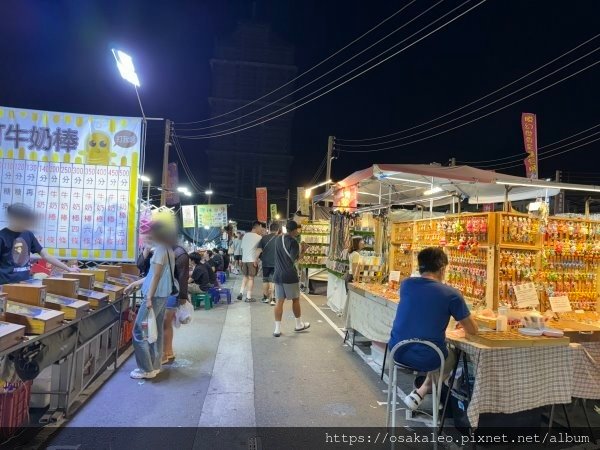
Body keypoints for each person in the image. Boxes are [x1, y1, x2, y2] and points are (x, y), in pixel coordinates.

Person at [389, 247, 478, 411]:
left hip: (397, 351)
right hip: (430, 357)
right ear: (443, 269)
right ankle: (423, 390)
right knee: (450, 354)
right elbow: (472, 330)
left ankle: (420, 392)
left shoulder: (406, 285)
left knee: (436, 350)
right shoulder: (452, 294)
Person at [126, 222, 177, 380]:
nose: (146, 237)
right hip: (161, 294)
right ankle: (155, 366)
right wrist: (135, 283)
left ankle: (146, 369)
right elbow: (155, 275)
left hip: (154, 296)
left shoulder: (160, 251)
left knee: (139, 331)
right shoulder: (167, 249)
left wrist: (148, 298)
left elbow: (155, 276)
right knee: (156, 331)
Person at [0, 203, 79, 284]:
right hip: (5, 285)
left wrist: (68, 269)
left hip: (24, 284)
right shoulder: (2, 236)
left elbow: (45, 255)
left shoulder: (28, 234)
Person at [272, 220, 310, 337]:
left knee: (279, 301)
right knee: (295, 299)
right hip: (289, 275)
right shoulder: (293, 242)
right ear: (294, 230)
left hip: (278, 274)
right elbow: (294, 259)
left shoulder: (278, 239)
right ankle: (298, 324)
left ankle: (277, 329)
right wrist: (303, 250)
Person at [163, 237, 189, 365]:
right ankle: (168, 352)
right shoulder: (157, 250)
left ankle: (165, 354)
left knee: (165, 324)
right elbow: (141, 265)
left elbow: (183, 276)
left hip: (171, 293)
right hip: (162, 293)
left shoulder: (179, 253)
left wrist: (183, 297)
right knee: (166, 325)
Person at [238, 221, 265, 302]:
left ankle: (241, 292)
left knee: (245, 277)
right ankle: (248, 297)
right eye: (261, 228)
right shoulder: (259, 237)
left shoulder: (245, 235)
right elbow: (261, 249)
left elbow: (242, 249)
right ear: (257, 227)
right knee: (251, 279)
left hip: (244, 260)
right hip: (252, 260)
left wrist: (241, 260)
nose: (261, 230)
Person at [259, 222, 280, 305]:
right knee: (273, 281)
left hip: (265, 263)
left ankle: (265, 298)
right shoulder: (280, 238)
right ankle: (273, 299)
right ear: (278, 230)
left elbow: (259, 250)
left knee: (265, 280)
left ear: (269, 229)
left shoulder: (263, 238)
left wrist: (255, 260)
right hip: (276, 263)